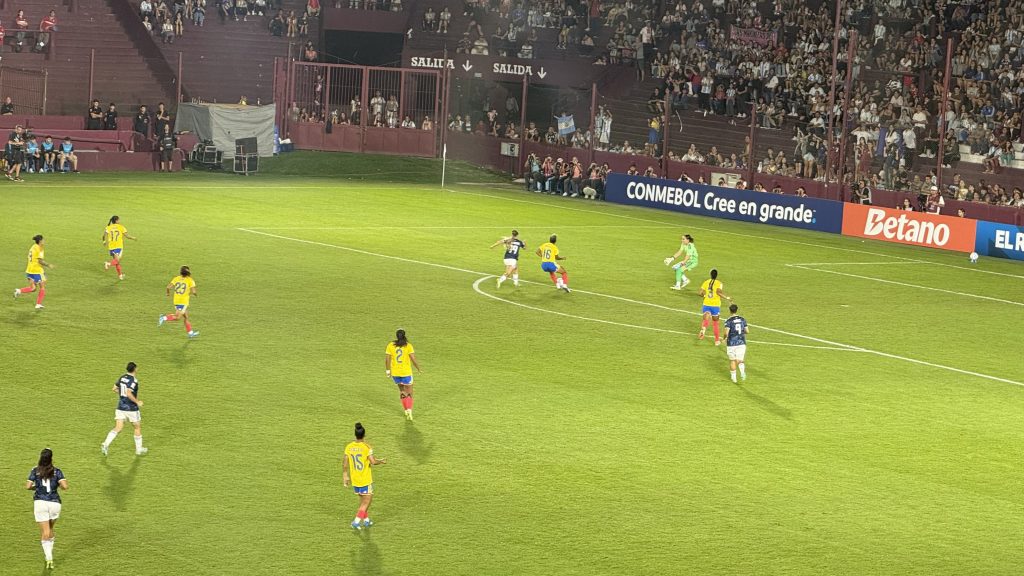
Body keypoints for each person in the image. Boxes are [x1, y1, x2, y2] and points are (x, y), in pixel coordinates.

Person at [26, 448, 68, 570]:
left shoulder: (35, 470)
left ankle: (49, 557)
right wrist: (57, 485)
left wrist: (37, 488)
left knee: (45, 531)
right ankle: (49, 555)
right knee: (49, 529)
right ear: (51, 458)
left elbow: (28, 486)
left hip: (40, 503)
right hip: (55, 503)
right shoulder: (57, 471)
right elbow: (65, 486)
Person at [342, 422, 385, 530]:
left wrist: (345, 475)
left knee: (362, 501)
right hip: (365, 479)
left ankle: (366, 520)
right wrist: (380, 461)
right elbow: (373, 462)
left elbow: (345, 462)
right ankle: (356, 522)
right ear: (364, 435)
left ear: (355, 434)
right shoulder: (366, 447)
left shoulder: (349, 447)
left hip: (355, 479)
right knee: (367, 502)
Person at [101, 362, 149, 455]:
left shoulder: (122, 377)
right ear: (135, 369)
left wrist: (122, 395)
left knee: (118, 428)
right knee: (137, 427)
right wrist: (137, 402)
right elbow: (128, 393)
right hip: (131, 408)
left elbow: (114, 388)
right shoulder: (134, 380)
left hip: (120, 407)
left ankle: (105, 444)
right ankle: (139, 449)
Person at [385, 329, 421, 420]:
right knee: (409, 393)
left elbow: (387, 359)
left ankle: (405, 410)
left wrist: (388, 371)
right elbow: (413, 359)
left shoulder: (390, 345)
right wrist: (418, 368)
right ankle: (409, 410)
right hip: (406, 373)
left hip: (395, 373)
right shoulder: (408, 346)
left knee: (402, 391)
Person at [158, 265, 199, 338]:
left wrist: (168, 293)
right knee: (177, 317)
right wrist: (195, 294)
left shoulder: (176, 278)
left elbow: (168, 287)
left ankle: (190, 333)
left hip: (176, 300)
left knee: (186, 317)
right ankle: (164, 318)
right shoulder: (190, 280)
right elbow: (194, 291)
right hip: (182, 302)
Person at [14, 234, 53, 309]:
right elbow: (40, 261)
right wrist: (48, 265)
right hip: (37, 271)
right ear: (40, 241)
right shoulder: (39, 248)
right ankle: (38, 304)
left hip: (29, 270)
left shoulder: (33, 246)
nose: (44, 241)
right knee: (42, 286)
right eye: (43, 240)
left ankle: (18, 291)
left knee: (33, 288)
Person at [698, 268, 732, 345]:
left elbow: (700, 293)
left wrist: (704, 296)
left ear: (710, 274)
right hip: (715, 305)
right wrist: (727, 298)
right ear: (716, 275)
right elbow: (718, 292)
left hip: (706, 304)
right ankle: (716, 341)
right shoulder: (719, 283)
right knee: (715, 323)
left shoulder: (706, 282)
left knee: (706, 318)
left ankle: (703, 329)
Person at [102, 215, 136, 280]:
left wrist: (104, 242)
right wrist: (133, 238)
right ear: (116, 220)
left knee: (116, 261)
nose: (119, 221)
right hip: (118, 246)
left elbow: (103, 236)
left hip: (111, 246)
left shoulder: (108, 227)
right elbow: (127, 236)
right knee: (117, 260)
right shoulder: (121, 227)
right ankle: (108, 264)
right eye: (119, 220)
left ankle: (120, 275)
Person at [723, 303, 748, 382]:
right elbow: (747, 331)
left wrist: (724, 338)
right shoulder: (742, 319)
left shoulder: (728, 321)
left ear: (730, 311)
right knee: (740, 360)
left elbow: (726, 333)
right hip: (741, 342)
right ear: (737, 310)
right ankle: (742, 372)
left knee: (732, 360)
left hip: (731, 343)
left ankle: (734, 378)